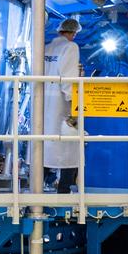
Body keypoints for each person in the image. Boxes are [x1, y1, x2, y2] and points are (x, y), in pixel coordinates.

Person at [43, 16, 82, 194]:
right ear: (73, 33)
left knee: (43, 146)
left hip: (43, 105)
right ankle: (64, 188)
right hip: (61, 103)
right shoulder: (70, 47)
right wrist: (76, 105)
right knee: (69, 147)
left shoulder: (46, 48)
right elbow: (68, 78)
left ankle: (39, 185)